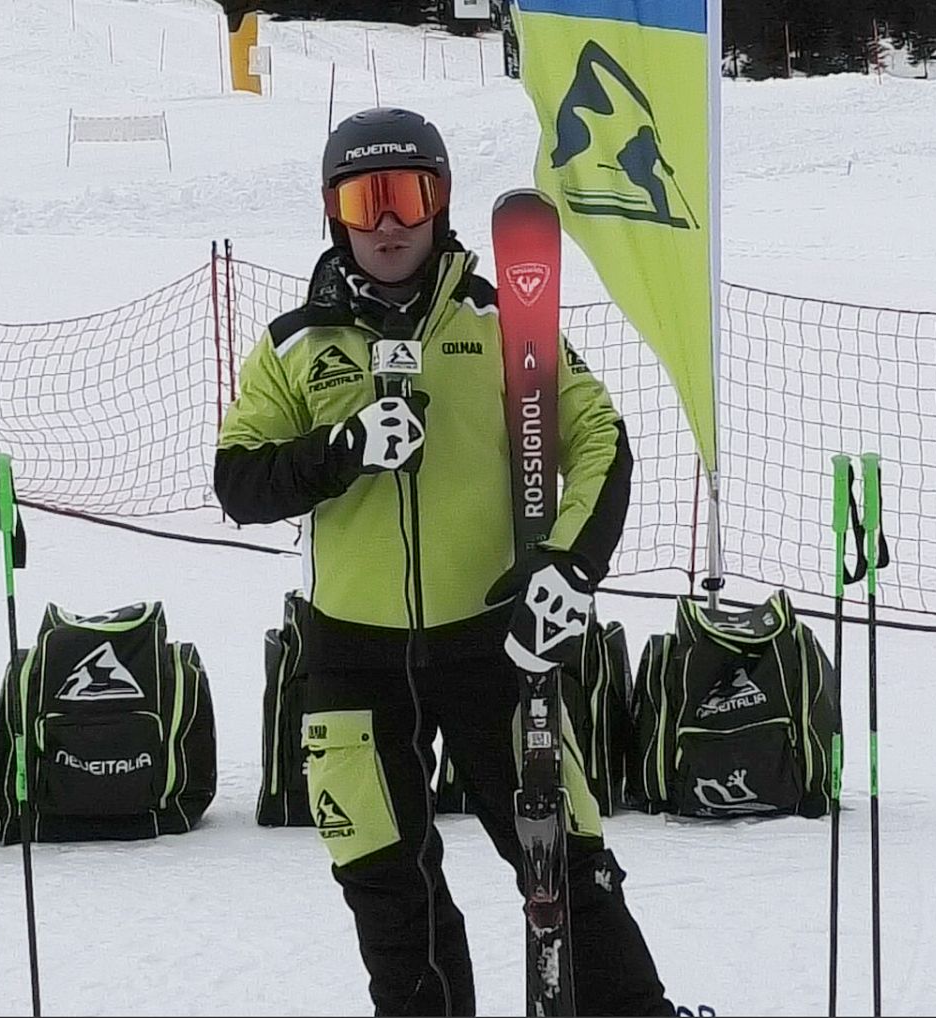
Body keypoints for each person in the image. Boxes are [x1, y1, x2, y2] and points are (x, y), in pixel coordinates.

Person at [214, 107, 673, 1017]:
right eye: (365, 200)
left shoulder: (502, 326)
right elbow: (240, 482)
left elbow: (599, 440)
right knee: (393, 900)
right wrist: (341, 449)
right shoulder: (296, 346)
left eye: (409, 197)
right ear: (333, 212)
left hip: (493, 647)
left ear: (442, 203)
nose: (388, 223)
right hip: (352, 659)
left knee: (569, 870)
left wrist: (571, 565)